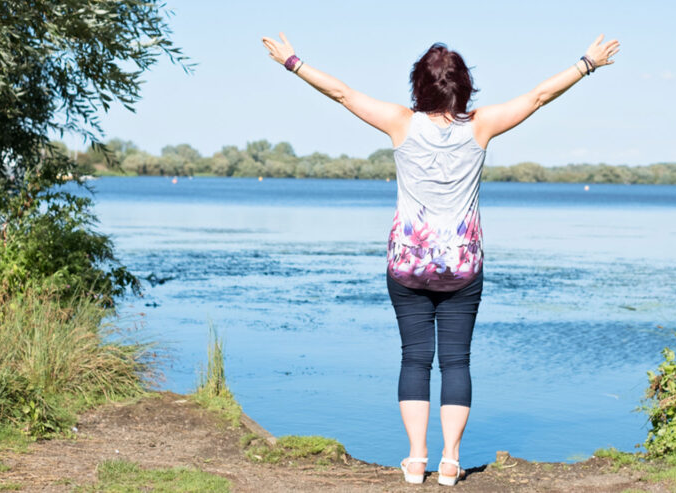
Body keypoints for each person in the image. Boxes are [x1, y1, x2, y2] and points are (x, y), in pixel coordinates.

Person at [262, 33, 619, 486]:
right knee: (456, 362)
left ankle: (416, 460)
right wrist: (587, 63)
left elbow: (342, 93)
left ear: (419, 86)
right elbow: (539, 96)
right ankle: (450, 461)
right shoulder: (482, 125)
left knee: (414, 359)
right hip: (462, 268)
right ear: (464, 87)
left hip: (407, 265)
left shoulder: (399, 122)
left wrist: (291, 61)